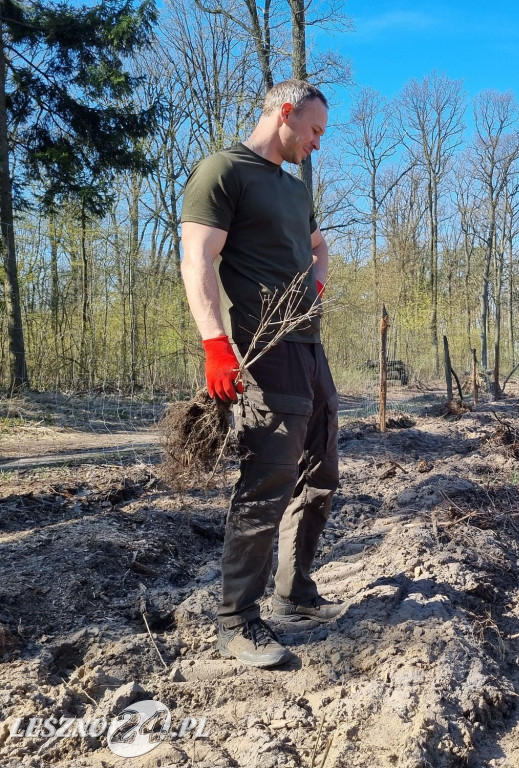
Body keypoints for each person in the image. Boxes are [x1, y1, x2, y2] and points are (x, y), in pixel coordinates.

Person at [180, 79, 341, 668]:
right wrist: (215, 344)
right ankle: (237, 620)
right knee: (267, 480)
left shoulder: (295, 191)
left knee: (321, 475)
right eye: (314, 130)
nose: (317, 143)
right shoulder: (224, 171)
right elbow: (197, 257)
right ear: (285, 113)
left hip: (310, 349)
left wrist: (314, 286)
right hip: (263, 350)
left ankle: (294, 592)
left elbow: (319, 247)